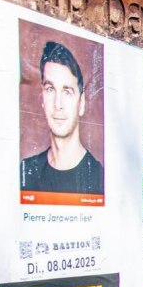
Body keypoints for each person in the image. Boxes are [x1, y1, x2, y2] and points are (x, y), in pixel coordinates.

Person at [21, 41, 104, 194]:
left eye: (67, 92)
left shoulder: (100, 178)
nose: (57, 104)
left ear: (81, 103)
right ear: (42, 98)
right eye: (50, 89)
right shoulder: (26, 173)